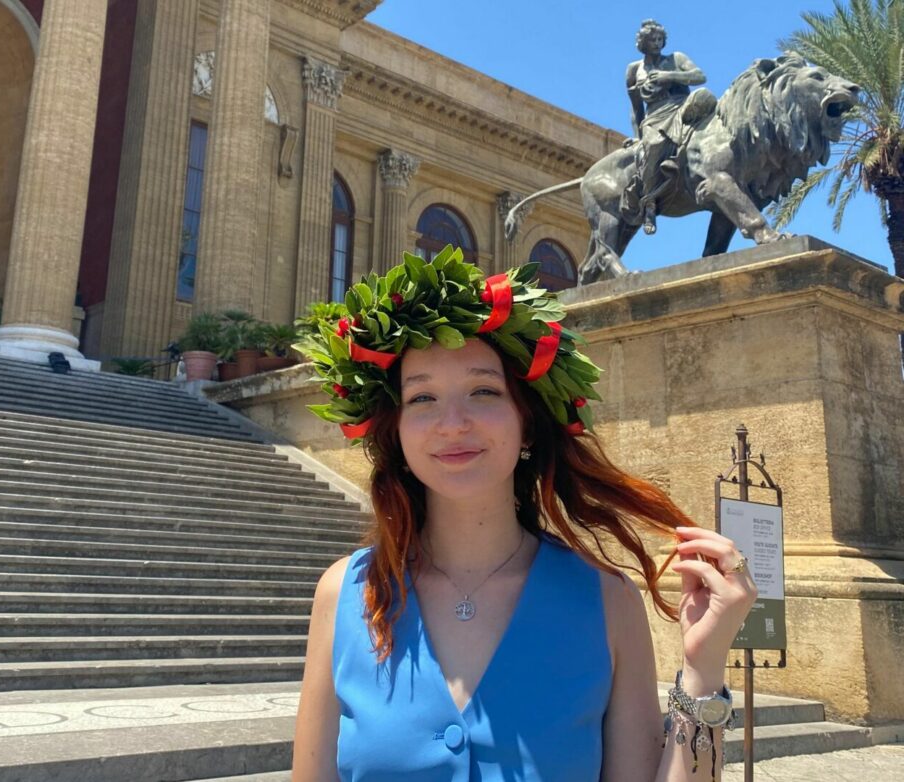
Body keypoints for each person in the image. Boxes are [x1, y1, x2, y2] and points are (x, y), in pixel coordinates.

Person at [292, 247, 756, 781]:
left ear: (527, 424)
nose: (453, 422)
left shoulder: (608, 601)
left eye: (483, 391)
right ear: (395, 432)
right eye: (422, 399)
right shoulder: (344, 592)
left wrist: (703, 669)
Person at [623, 19, 706, 234]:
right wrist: (638, 137)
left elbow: (699, 76)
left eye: (660, 39)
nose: (657, 43)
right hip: (655, 116)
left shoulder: (676, 58)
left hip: (682, 107)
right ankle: (649, 204)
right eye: (653, 39)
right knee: (652, 146)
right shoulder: (634, 70)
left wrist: (669, 75)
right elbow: (636, 110)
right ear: (643, 42)